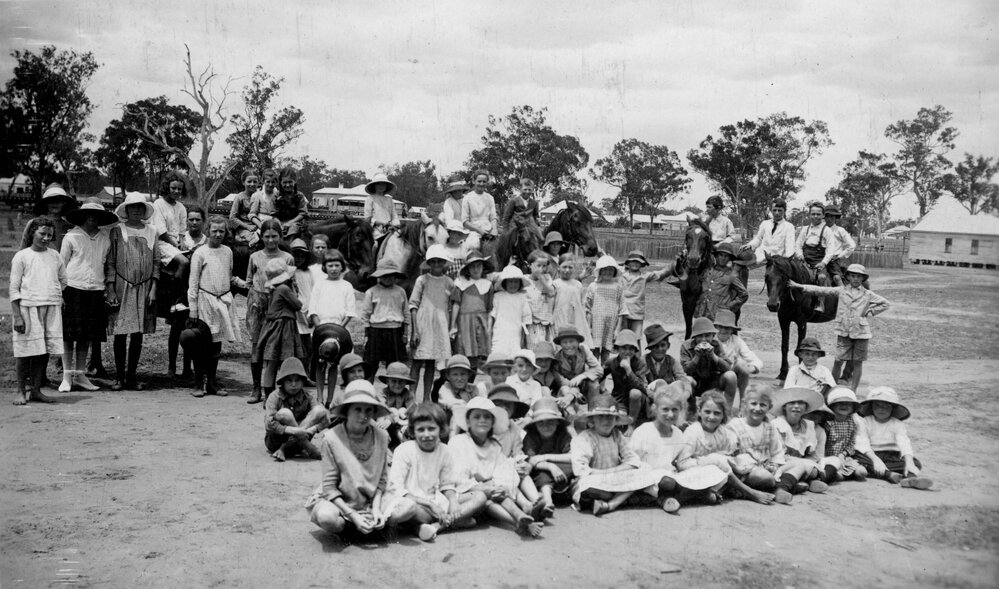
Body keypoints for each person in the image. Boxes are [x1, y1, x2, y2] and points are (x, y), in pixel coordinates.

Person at [383, 402, 487, 541]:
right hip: (414, 503)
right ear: (413, 431)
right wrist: (430, 505)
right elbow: (396, 488)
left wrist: (453, 501)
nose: (427, 435)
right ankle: (436, 523)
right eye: (421, 430)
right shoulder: (404, 450)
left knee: (480, 497)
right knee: (405, 511)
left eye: (432, 429)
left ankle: (436, 526)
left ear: (441, 429)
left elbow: (447, 484)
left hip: (437, 501)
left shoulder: (444, 451)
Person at [306, 380, 391, 537]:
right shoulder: (331, 438)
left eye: (369, 410)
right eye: (357, 409)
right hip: (341, 499)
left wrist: (377, 508)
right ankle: (350, 529)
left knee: (407, 508)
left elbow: (382, 480)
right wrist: (353, 515)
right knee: (326, 517)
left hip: (372, 498)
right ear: (347, 411)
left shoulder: (382, 436)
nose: (363, 416)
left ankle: (373, 521)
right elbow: (329, 487)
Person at [449, 397, 542, 537]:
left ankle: (521, 517)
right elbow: (458, 479)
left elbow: (504, 472)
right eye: (477, 417)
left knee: (498, 492)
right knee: (486, 497)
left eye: (487, 417)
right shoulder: (458, 443)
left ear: (492, 422)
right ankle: (517, 521)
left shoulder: (494, 446)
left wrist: (499, 486)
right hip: (462, 494)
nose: (482, 420)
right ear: (468, 421)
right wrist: (484, 487)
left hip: (488, 493)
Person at [789, 264, 889, 392]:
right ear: (847, 277)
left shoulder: (868, 294)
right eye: (853, 276)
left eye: (859, 277)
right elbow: (821, 290)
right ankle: (832, 388)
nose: (856, 279)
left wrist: (870, 312)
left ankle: (853, 390)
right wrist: (799, 286)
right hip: (844, 331)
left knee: (858, 362)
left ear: (863, 279)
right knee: (838, 360)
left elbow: (885, 303)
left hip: (861, 333)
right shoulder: (841, 290)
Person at [630, 381, 725, 512]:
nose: (670, 414)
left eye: (675, 410)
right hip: (648, 478)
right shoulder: (644, 431)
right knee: (667, 482)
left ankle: (672, 499)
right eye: (665, 409)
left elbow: (678, 462)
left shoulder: (678, 433)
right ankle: (694, 495)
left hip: (671, 477)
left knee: (711, 472)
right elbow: (633, 461)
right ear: (655, 409)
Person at [677, 390, 775, 504]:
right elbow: (682, 463)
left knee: (762, 475)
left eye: (717, 413)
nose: (711, 417)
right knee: (716, 460)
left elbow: (733, 452)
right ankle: (749, 492)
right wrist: (708, 461)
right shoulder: (693, 432)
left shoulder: (723, 431)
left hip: (723, 473)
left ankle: (726, 490)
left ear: (723, 414)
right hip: (698, 473)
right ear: (699, 411)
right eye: (707, 412)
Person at [570, 394, 661, 516]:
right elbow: (581, 471)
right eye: (600, 417)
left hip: (616, 477)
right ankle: (624, 497)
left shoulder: (617, 435)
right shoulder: (583, 439)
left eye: (610, 417)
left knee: (646, 468)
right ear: (592, 420)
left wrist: (615, 471)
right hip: (595, 479)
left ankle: (611, 504)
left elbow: (633, 460)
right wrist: (606, 473)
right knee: (586, 488)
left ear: (616, 420)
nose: (606, 421)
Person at [58, 201, 116, 393]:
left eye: (95, 215)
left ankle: (80, 375)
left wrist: (108, 289)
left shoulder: (105, 238)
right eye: (88, 214)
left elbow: (107, 265)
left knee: (86, 336)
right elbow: (61, 266)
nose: (92, 218)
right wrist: (60, 293)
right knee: (69, 336)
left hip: (95, 291)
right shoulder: (71, 236)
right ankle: (67, 376)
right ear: (82, 216)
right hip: (73, 289)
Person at [186, 216, 246, 397]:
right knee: (201, 344)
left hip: (222, 302)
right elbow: (193, 283)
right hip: (205, 302)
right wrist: (193, 309)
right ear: (208, 231)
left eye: (222, 231)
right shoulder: (200, 253)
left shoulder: (227, 251)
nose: (218, 234)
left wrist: (246, 284)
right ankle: (198, 383)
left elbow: (229, 276)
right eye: (215, 231)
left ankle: (211, 382)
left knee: (216, 346)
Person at [106, 194, 160, 391]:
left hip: (144, 288)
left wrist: (153, 288)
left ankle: (132, 377)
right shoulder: (117, 231)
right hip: (122, 286)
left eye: (139, 207)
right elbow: (111, 262)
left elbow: (156, 263)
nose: (136, 210)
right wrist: (111, 289)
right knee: (120, 333)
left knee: (138, 334)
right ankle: (119, 378)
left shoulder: (153, 231)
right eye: (132, 207)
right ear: (126, 210)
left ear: (144, 210)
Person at [11, 217, 66, 405]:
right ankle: (20, 390)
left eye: (49, 235)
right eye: (42, 234)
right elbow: (13, 288)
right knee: (25, 351)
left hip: (50, 308)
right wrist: (17, 316)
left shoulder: (55, 255)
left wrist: (55, 295)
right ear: (32, 232)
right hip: (27, 309)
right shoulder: (22, 256)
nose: (45, 238)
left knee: (43, 351)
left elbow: (63, 279)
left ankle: (36, 390)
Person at [245, 220, 295, 400]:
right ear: (261, 237)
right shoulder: (255, 257)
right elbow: (249, 281)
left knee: (278, 348)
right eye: (267, 236)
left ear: (280, 237)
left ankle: (277, 390)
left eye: (274, 236)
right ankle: (256, 388)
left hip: (279, 306)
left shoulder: (287, 258)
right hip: (258, 304)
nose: (271, 240)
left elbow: (292, 285)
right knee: (257, 346)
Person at [728, 385, 801, 505]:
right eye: (753, 404)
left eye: (763, 405)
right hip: (746, 471)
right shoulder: (735, 425)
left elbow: (777, 451)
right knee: (763, 476)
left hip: (768, 466)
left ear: (769, 407)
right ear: (745, 404)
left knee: (798, 464)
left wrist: (775, 465)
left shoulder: (769, 426)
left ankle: (780, 488)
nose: (757, 408)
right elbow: (730, 454)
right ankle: (785, 485)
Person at [855, 386, 933, 489]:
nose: (881, 409)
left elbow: (904, 442)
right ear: (871, 407)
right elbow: (862, 442)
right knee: (856, 457)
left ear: (892, 408)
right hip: (871, 454)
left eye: (886, 406)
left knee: (915, 463)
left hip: (891, 455)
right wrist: (876, 460)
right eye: (877, 406)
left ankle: (910, 477)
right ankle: (889, 475)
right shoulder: (865, 421)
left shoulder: (897, 423)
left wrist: (909, 463)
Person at [254, 258, 305, 397]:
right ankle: (283, 394)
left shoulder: (276, 288)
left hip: (272, 326)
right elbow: (298, 305)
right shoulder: (284, 289)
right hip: (283, 327)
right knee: (285, 359)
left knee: (271, 362)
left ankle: (269, 395)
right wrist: (294, 288)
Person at [409, 244, 455, 397]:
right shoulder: (422, 280)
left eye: (439, 261)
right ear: (428, 263)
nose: (436, 264)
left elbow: (450, 306)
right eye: (433, 261)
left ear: (444, 263)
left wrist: (449, 328)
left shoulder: (449, 282)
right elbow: (413, 305)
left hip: (439, 325)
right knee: (417, 362)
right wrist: (415, 330)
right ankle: (411, 396)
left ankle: (426, 397)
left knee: (431, 364)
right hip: (423, 324)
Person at [264, 357, 330, 461]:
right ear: (283, 382)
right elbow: (268, 424)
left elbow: (325, 418)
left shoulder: (307, 397)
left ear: (303, 381)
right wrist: (294, 431)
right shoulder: (274, 396)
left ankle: (284, 449)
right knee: (285, 413)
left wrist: (312, 429)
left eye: (297, 380)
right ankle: (307, 446)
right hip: (276, 441)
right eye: (289, 380)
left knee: (319, 410)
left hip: (299, 443)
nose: (293, 384)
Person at [521, 397, 574, 520]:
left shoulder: (562, 434)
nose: (546, 426)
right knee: (541, 473)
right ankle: (548, 501)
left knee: (575, 465)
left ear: (557, 422)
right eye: (541, 422)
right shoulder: (531, 437)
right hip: (540, 470)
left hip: (562, 469)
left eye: (550, 422)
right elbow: (531, 460)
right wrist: (550, 466)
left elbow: (572, 456)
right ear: (535, 424)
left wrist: (545, 457)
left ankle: (549, 496)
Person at [770, 387, 831, 494]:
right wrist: (804, 462)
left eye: (800, 403)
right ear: (785, 407)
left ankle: (799, 482)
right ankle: (784, 486)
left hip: (798, 462)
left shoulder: (808, 425)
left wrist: (810, 463)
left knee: (813, 470)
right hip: (778, 462)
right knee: (805, 467)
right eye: (792, 403)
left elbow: (813, 455)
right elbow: (777, 455)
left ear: (806, 408)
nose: (796, 406)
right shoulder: (777, 425)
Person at [361, 260, 409, 387]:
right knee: (371, 363)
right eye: (385, 276)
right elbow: (365, 314)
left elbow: (406, 313)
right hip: (376, 330)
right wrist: (366, 335)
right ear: (379, 276)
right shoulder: (371, 292)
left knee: (394, 364)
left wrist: (406, 334)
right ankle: (367, 390)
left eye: (392, 276)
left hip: (395, 330)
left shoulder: (400, 291)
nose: (388, 279)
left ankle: (392, 391)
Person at [149, 172, 190, 312]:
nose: (176, 191)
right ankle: (175, 300)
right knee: (183, 262)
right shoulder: (158, 204)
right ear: (167, 187)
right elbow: (161, 232)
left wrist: (183, 241)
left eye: (179, 189)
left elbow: (182, 231)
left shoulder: (181, 208)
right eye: (173, 188)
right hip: (162, 242)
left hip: (177, 243)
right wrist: (176, 245)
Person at [680, 317, 736, 412]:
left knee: (731, 376)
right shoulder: (686, 346)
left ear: (713, 336)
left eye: (707, 336)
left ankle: (727, 411)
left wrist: (713, 356)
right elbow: (686, 370)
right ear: (694, 337)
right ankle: (690, 410)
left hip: (713, 382)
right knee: (686, 380)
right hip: (696, 383)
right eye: (700, 336)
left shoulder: (717, 345)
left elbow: (728, 367)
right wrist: (696, 357)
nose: (704, 339)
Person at [450, 250, 494, 372]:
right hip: (464, 321)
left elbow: (489, 308)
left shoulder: (488, 285)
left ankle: (472, 378)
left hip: (481, 321)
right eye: (472, 266)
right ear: (467, 269)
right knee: (463, 350)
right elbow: (456, 304)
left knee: (477, 351)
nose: (475, 269)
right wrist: (453, 325)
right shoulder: (461, 283)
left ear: (483, 267)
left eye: (478, 266)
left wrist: (489, 327)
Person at [683, 242, 748, 321]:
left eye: (726, 256)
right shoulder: (706, 272)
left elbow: (744, 294)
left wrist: (729, 306)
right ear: (716, 256)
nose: (723, 258)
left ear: (729, 259)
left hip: (718, 316)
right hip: (701, 314)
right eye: (720, 255)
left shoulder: (731, 276)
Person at [600, 330, 650, 431]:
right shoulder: (612, 362)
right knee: (613, 424)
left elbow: (643, 387)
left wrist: (629, 370)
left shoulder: (640, 363)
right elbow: (599, 376)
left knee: (635, 393)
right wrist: (601, 390)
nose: (627, 351)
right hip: (620, 399)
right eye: (624, 348)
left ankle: (632, 424)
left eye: (631, 348)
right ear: (618, 348)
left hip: (638, 401)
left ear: (635, 350)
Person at [817, 386, 868, 483]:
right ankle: (836, 475)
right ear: (832, 406)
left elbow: (851, 443)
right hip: (828, 458)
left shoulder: (852, 423)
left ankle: (843, 474)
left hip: (843, 457)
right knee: (834, 472)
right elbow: (821, 443)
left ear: (853, 408)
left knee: (862, 472)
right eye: (840, 403)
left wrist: (843, 454)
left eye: (848, 404)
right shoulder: (828, 423)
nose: (844, 406)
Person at [712, 310, 762, 408]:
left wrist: (750, 368)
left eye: (727, 328)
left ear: (732, 330)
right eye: (720, 327)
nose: (723, 330)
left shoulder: (736, 340)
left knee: (741, 364)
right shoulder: (711, 340)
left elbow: (755, 359)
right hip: (714, 377)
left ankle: (742, 403)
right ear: (716, 327)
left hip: (732, 377)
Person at [618, 250, 673, 336]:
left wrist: (672, 266)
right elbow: (609, 265)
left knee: (636, 338)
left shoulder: (644, 276)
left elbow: (660, 274)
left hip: (637, 313)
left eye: (638, 262)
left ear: (641, 264)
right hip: (623, 312)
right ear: (628, 263)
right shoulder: (621, 275)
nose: (635, 263)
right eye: (633, 261)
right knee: (622, 337)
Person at [794, 201, 833, 313]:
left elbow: (831, 250)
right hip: (804, 260)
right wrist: (800, 255)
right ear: (809, 215)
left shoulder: (827, 230)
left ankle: (820, 302)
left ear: (823, 215)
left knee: (821, 278)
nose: (815, 216)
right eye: (813, 214)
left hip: (819, 261)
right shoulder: (805, 229)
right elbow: (798, 245)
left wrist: (824, 263)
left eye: (818, 214)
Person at [552, 326, 602, 409]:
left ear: (578, 342)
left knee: (594, 384)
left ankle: (593, 414)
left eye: (572, 341)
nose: (568, 345)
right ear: (560, 344)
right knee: (567, 395)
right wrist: (574, 393)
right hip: (567, 387)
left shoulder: (583, 350)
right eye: (565, 342)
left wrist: (582, 376)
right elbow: (561, 381)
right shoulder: (556, 358)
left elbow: (598, 369)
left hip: (582, 384)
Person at [585, 255, 624, 363]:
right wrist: (588, 327)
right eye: (605, 270)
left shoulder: (618, 287)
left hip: (611, 324)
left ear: (615, 272)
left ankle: (603, 377)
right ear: (600, 271)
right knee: (595, 350)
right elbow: (587, 308)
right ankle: (595, 376)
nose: (608, 272)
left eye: (610, 270)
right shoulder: (593, 286)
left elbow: (622, 309)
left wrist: (617, 329)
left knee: (606, 351)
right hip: (596, 323)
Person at [490, 265, 532, 357]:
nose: (513, 284)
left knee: (514, 355)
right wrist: (490, 332)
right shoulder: (497, 297)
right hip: (499, 332)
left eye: (516, 282)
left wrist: (524, 338)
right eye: (511, 282)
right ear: (505, 282)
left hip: (515, 333)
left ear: (520, 283)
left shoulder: (522, 298)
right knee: (498, 354)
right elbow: (492, 316)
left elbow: (526, 319)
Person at [552, 254, 592, 349]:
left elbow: (581, 304)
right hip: (560, 318)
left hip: (575, 318)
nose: (567, 270)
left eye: (570, 267)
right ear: (558, 268)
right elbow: (552, 304)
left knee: (575, 343)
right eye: (564, 267)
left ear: (574, 268)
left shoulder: (578, 285)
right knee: (561, 342)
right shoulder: (555, 284)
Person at [740, 199, 796, 265]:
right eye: (774, 210)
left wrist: (787, 260)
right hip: (760, 257)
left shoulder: (789, 227)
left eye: (780, 210)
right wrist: (750, 245)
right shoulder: (765, 224)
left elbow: (790, 245)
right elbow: (758, 239)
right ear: (771, 211)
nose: (777, 213)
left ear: (784, 211)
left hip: (777, 261)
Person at [290, 239, 316, 382]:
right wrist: (301, 313)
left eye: (302, 255)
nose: (299, 258)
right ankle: (296, 376)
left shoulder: (308, 273)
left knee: (308, 349)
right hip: (296, 315)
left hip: (308, 313)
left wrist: (311, 312)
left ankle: (306, 375)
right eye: (296, 255)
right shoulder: (290, 273)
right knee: (297, 349)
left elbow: (312, 292)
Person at [642, 324, 689, 401]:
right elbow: (642, 386)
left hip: (669, 397)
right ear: (650, 348)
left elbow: (682, 378)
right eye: (655, 346)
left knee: (683, 383)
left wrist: (685, 394)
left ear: (668, 346)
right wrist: (658, 398)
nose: (659, 349)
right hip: (650, 397)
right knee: (660, 383)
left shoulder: (672, 361)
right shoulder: (643, 362)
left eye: (663, 345)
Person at [312, 323, 353, 409]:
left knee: (333, 366)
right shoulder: (317, 333)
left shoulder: (346, 341)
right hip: (322, 334)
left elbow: (344, 359)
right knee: (320, 365)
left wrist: (335, 360)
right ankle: (319, 399)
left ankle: (329, 401)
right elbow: (314, 352)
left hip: (340, 339)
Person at [376, 362, 415, 449]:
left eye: (401, 382)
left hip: (401, 424)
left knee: (402, 410)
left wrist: (401, 415)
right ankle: (382, 439)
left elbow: (412, 413)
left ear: (405, 383)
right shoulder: (382, 393)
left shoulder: (408, 395)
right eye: (393, 381)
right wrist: (391, 417)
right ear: (387, 381)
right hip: (386, 423)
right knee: (392, 410)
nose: (397, 385)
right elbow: (381, 409)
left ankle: (405, 441)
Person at [460, 169, 498, 252]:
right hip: (474, 230)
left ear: (487, 183)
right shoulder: (467, 198)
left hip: (489, 230)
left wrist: (494, 230)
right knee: (473, 245)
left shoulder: (490, 198)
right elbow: (465, 221)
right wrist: (480, 231)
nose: (481, 184)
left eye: (484, 182)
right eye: (479, 181)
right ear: (474, 181)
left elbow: (493, 217)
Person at [523, 251, 555, 348]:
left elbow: (551, 293)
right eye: (538, 265)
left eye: (544, 266)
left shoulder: (547, 279)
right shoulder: (524, 280)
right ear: (529, 265)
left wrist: (541, 279)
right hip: (532, 323)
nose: (542, 269)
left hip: (545, 322)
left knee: (546, 349)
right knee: (534, 349)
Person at [823, 206, 855, 286]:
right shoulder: (820, 230)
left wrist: (839, 256)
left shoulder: (840, 230)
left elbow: (852, 245)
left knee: (837, 278)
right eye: (827, 216)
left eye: (832, 216)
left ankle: (845, 295)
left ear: (835, 217)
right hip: (819, 259)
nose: (829, 219)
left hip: (834, 260)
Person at [273, 165, 309, 239]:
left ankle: (289, 246)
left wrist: (290, 223)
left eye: (290, 182)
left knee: (294, 229)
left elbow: (303, 213)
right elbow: (274, 214)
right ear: (280, 182)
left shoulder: (299, 196)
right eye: (285, 182)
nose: (287, 185)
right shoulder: (276, 196)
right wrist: (279, 224)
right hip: (280, 223)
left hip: (295, 223)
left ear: (295, 181)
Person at [363, 172, 400, 241]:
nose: (381, 186)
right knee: (375, 245)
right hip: (375, 230)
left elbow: (394, 215)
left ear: (386, 186)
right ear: (374, 185)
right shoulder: (370, 198)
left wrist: (396, 225)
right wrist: (382, 223)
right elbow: (367, 218)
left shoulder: (389, 199)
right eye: (378, 183)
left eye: (383, 184)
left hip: (390, 229)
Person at [228, 169, 260, 246]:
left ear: (258, 183)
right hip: (244, 229)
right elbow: (232, 218)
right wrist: (247, 226)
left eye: (255, 182)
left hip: (259, 226)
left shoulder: (260, 196)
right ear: (243, 182)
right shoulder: (240, 197)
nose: (252, 184)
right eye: (249, 181)